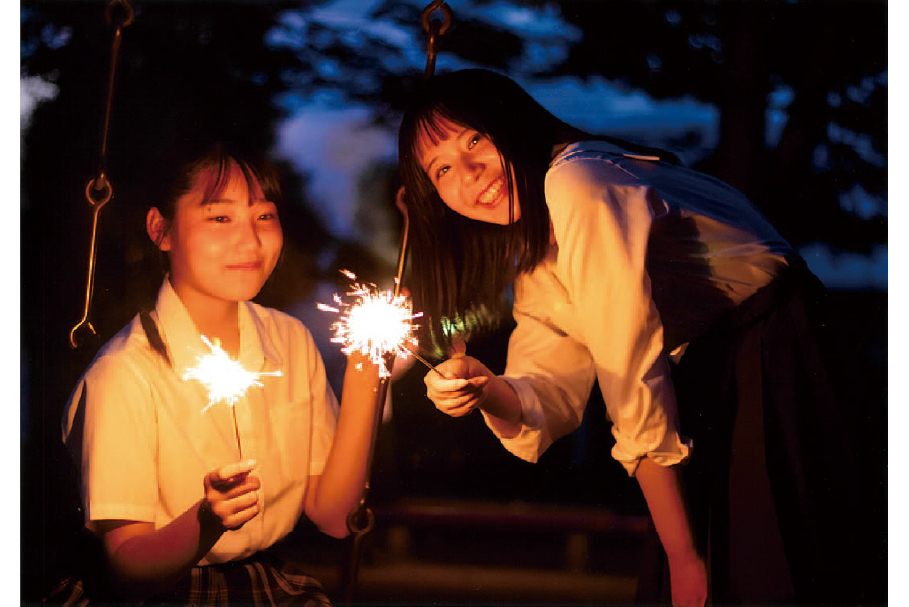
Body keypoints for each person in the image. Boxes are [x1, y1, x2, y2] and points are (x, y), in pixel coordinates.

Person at [397, 69, 869, 606]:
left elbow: (627, 364)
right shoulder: (537, 253)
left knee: (775, 574)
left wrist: (683, 558)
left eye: (475, 139)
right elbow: (548, 390)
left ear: (514, 122)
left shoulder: (580, 181)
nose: (470, 171)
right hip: (717, 375)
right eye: (441, 169)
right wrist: (486, 389)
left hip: (780, 358)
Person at [58, 138, 384, 606]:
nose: (249, 241)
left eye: (264, 217)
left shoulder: (290, 342)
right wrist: (207, 520)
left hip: (265, 586)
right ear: (162, 229)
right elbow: (128, 566)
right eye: (220, 217)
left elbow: (334, 515)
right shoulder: (125, 373)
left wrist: (365, 375)